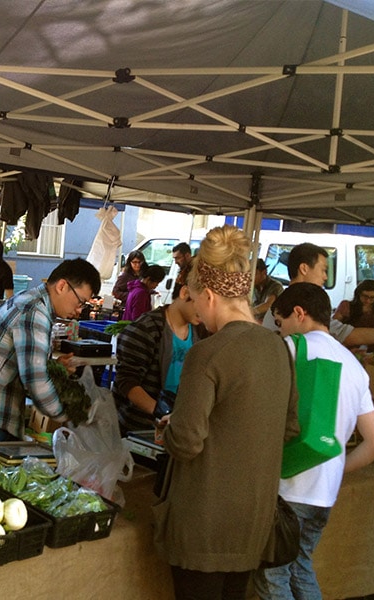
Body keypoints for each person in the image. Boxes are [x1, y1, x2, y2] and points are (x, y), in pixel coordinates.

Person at [153, 225, 299, 600]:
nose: (197, 311)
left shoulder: (208, 352)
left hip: (203, 523)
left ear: (211, 295)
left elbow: (185, 442)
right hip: (253, 521)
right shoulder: (278, 347)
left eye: (197, 299)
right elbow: (287, 427)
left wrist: (167, 429)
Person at [254, 283, 374, 600]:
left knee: (273, 576)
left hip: (288, 489)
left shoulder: (292, 349)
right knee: (301, 568)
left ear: (299, 313)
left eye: (280, 322)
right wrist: (335, 467)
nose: (281, 331)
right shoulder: (355, 366)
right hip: (323, 496)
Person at [0, 258, 102, 441]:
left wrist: (55, 366)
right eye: (81, 302)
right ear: (62, 286)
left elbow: (26, 362)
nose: (80, 310)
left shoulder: (32, 300)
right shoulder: (34, 313)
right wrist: (74, 417)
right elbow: (36, 383)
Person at [262, 243, 374, 347]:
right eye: (323, 270)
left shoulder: (294, 302)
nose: (325, 277)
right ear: (304, 268)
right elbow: (349, 335)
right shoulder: (291, 305)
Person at [113, 265, 204, 433]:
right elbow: (126, 382)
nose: (206, 311)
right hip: (139, 430)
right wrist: (161, 412)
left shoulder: (200, 332)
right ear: (185, 293)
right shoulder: (145, 329)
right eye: (203, 303)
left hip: (178, 429)